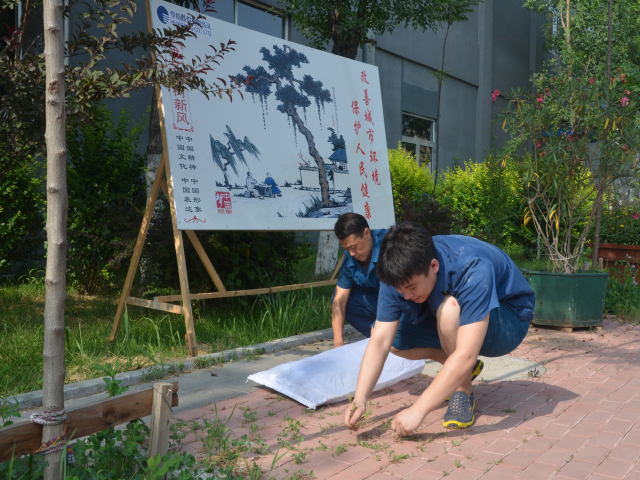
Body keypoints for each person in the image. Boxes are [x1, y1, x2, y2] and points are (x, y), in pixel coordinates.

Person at [344, 222, 535, 435]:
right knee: (392, 337)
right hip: (458, 310)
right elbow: (380, 340)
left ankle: (462, 389)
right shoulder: (397, 272)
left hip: (510, 319)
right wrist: (360, 398)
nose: (405, 295)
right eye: (400, 289)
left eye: (411, 287)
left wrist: (418, 410)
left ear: (434, 266)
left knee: (449, 311)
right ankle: (458, 370)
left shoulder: (471, 267)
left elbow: (466, 354)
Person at [332, 213, 388, 347]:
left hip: (402, 301)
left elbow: (396, 295)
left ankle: (392, 335)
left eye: (354, 247)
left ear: (367, 233)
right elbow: (339, 301)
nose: (351, 253)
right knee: (340, 297)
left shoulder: (390, 245)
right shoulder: (350, 257)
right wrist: (338, 345)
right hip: (377, 302)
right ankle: (382, 338)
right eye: (347, 249)